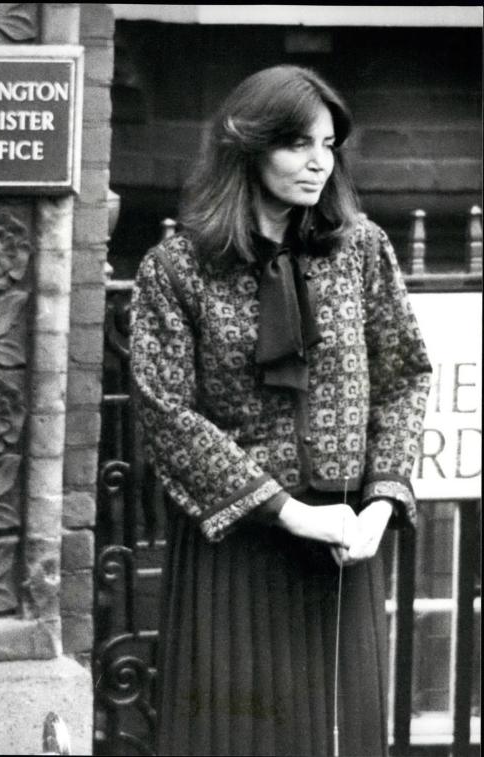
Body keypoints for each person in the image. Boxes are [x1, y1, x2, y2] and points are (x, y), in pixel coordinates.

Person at [130, 65, 431, 756]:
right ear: (249, 145)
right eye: (297, 142)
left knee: (340, 735)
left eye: (329, 143)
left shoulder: (362, 250)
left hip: (344, 543)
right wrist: (286, 510)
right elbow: (165, 412)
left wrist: (381, 503)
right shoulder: (176, 269)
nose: (319, 161)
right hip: (236, 546)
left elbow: (405, 375)